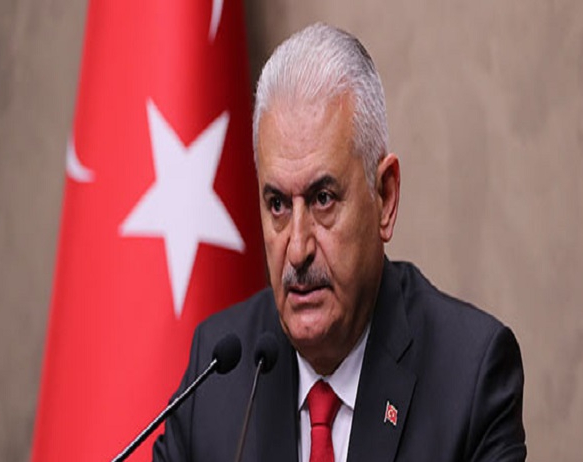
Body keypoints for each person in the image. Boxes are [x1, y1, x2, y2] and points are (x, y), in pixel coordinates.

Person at [152, 23, 526, 462]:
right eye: (277, 204)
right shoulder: (217, 376)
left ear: (385, 197)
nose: (297, 249)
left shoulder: (470, 375)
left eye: (323, 199)